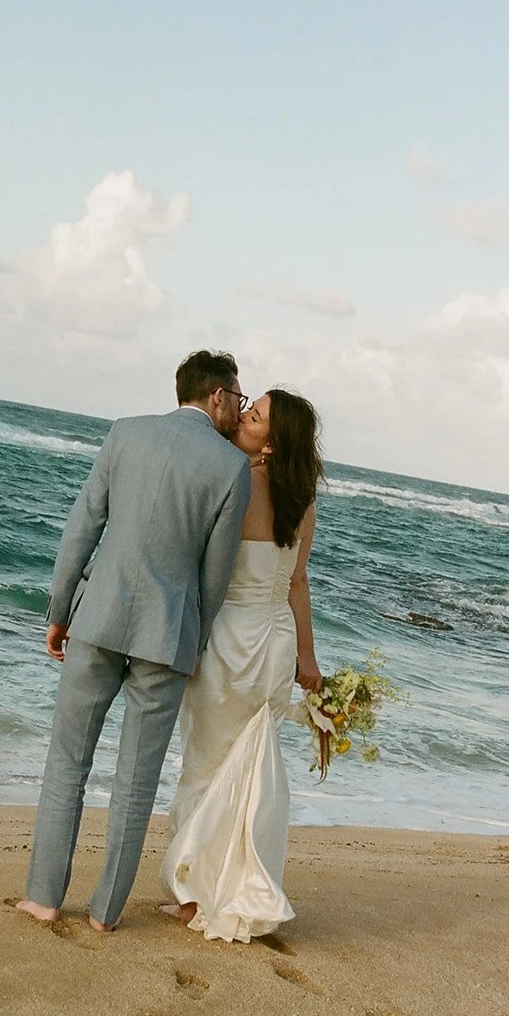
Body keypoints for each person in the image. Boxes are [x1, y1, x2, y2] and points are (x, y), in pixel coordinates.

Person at [17, 351, 251, 933]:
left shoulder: (126, 433)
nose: (239, 410)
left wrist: (60, 608)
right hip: (167, 636)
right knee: (135, 781)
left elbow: (83, 526)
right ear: (216, 396)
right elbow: (214, 575)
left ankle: (44, 898)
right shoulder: (230, 469)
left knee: (67, 760)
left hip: (97, 617)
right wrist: (192, 643)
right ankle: (104, 913)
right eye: (238, 399)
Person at [160, 387, 324, 942]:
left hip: (232, 638)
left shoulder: (233, 479)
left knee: (206, 761)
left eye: (255, 418)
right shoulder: (304, 502)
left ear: (273, 444)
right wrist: (308, 655)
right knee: (251, 768)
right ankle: (236, 880)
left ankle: (192, 889)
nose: (244, 420)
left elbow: (205, 565)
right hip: (275, 643)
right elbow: (296, 583)